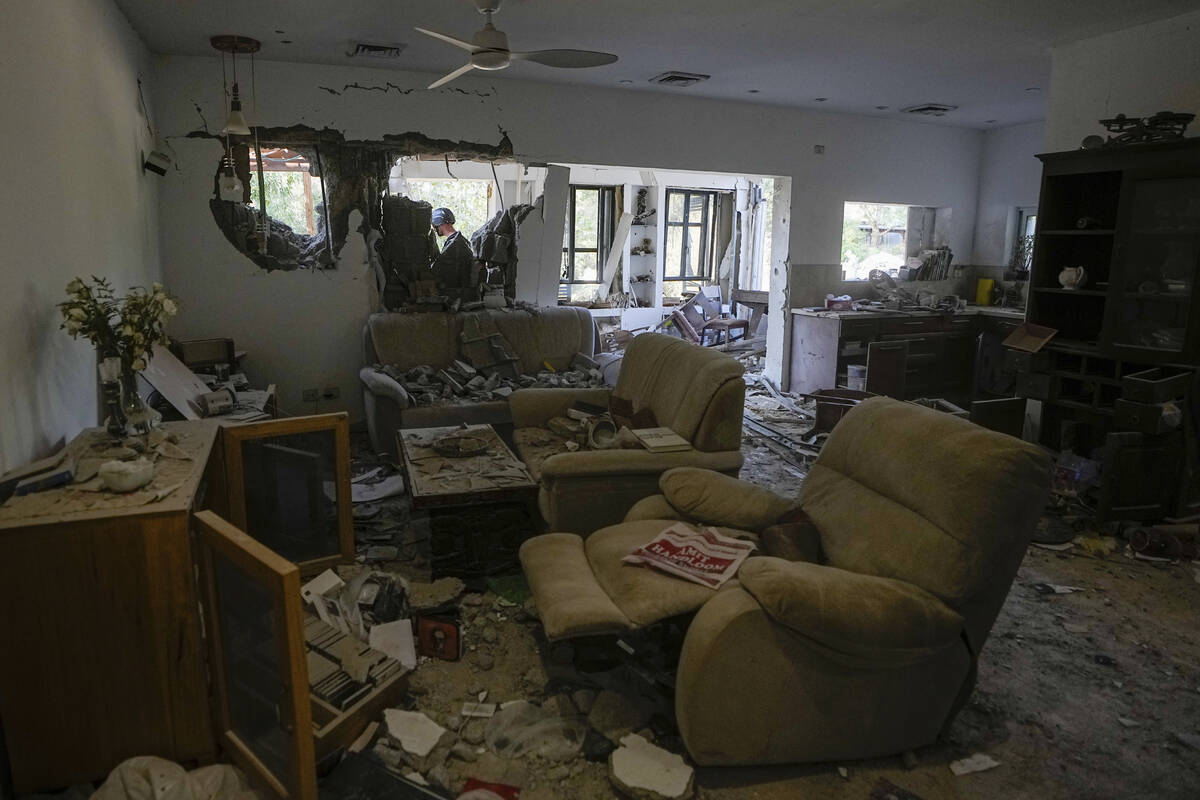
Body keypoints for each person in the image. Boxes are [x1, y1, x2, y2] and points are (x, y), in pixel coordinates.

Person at [430, 207, 476, 291]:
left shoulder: (455, 244)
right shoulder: (461, 240)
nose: (435, 230)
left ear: (439, 222)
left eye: (435, 226)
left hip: (455, 291)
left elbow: (437, 269)